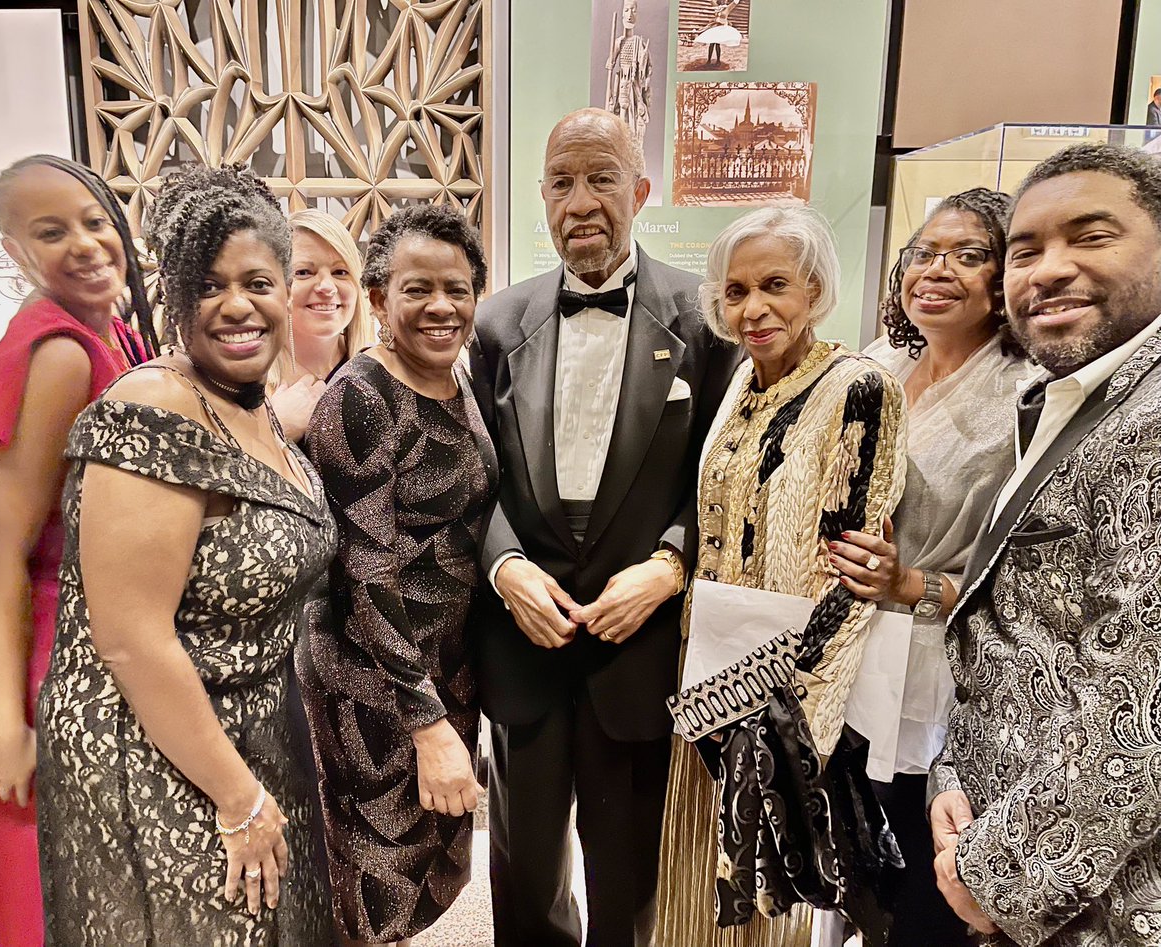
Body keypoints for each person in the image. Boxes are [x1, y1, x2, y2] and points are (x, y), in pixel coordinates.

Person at [34, 163, 332, 945]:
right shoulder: (153, 406)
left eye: (257, 281)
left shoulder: (256, 407)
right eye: (208, 284)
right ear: (174, 298)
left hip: (248, 736)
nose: (237, 305)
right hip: (162, 756)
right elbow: (131, 638)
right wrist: (239, 799)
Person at [468, 107, 740, 947]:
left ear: (642, 190)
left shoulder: (706, 321)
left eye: (601, 178)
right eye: (561, 182)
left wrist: (670, 562)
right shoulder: (494, 323)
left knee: (627, 873)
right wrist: (504, 566)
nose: (580, 201)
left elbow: (725, 474)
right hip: (526, 641)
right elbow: (467, 477)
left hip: (641, 645)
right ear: (541, 197)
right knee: (524, 874)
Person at [656, 201, 908, 947]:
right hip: (706, 664)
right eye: (735, 292)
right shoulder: (739, 383)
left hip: (785, 688)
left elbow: (852, 573)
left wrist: (796, 720)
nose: (754, 308)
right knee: (694, 864)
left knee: (764, 881)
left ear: (815, 292)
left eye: (775, 285)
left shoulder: (859, 389)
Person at [928, 143, 1161, 946]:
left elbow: (1144, 708)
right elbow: (1013, 628)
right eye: (1025, 250)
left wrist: (994, 876)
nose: (1049, 269)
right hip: (1020, 857)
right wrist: (952, 779)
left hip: (1110, 905)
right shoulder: (1068, 396)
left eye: (1091, 237)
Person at [829, 188, 1036, 946]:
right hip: (849, 654)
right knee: (856, 861)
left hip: (943, 666)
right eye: (924, 252)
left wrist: (909, 583)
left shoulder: (1026, 394)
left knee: (925, 874)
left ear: (1004, 276)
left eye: (968, 254)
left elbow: (1024, 576)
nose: (936, 269)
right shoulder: (879, 362)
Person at [0, 154, 154, 947]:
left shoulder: (115, 331)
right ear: (13, 251)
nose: (84, 243)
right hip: (47, 649)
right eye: (51, 232)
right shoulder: (58, 353)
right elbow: (3, 549)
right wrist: (6, 724)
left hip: (99, 634)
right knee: (52, 891)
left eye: (93, 220)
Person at [297, 204, 494, 947]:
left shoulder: (455, 379)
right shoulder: (361, 395)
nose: (441, 306)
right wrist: (427, 723)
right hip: (375, 689)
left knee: (418, 876)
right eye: (417, 289)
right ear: (378, 299)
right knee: (370, 889)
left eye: (458, 288)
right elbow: (365, 569)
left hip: (444, 669)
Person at [269, 208, 371, 441]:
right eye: (304, 272)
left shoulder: (381, 368)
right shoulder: (244, 378)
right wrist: (278, 429)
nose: (327, 286)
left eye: (340, 272)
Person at [605, 0, 652, 151]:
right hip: (621, 84)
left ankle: (631, 149)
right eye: (626, 10)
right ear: (622, 14)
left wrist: (643, 78)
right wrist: (611, 62)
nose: (630, 14)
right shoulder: (619, 41)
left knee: (633, 117)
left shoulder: (639, 42)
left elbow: (648, 68)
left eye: (633, 10)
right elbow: (610, 63)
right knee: (620, 113)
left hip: (634, 85)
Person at [694, 0, 743, 67]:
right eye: (722, 0)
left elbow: (735, 2)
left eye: (724, 0)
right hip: (715, 27)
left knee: (717, 44)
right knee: (711, 44)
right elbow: (711, 1)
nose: (723, 1)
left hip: (721, 28)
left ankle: (718, 60)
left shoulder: (727, 8)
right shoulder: (717, 8)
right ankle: (708, 60)